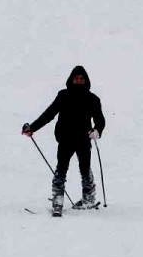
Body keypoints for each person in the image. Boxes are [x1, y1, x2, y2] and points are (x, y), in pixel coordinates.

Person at [21, 65, 106, 216]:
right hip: (65, 139)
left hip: (83, 139)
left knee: (85, 169)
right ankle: (58, 201)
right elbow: (49, 114)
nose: (79, 81)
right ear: (71, 79)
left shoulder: (93, 99)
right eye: (76, 78)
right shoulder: (63, 95)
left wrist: (97, 131)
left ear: (85, 80)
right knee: (61, 170)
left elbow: (100, 120)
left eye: (81, 79)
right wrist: (33, 128)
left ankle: (88, 199)